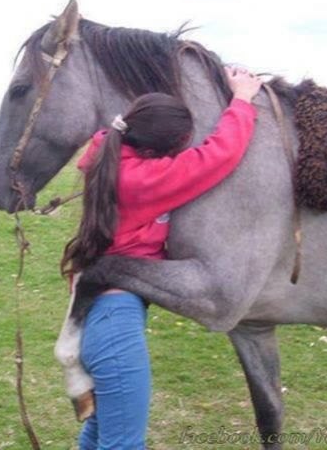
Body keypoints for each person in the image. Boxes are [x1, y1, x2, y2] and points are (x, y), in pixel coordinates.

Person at [60, 67, 262, 450]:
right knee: (123, 444)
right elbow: (219, 154)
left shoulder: (109, 150)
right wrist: (242, 100)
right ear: (153, 151)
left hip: (98, 314)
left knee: (102, 431)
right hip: (114, 322)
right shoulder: (144, 179)